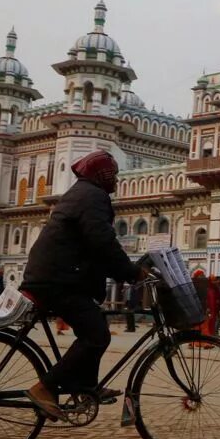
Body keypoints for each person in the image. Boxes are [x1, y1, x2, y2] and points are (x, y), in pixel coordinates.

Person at [20, 149, 143, 420]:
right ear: (102, 175)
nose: (116, 180)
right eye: (114, 175)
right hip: (58, 280)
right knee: (96, 335)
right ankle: (45, 388)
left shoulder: (81, 193)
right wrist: (132, 273)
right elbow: (102, 242)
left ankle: (85, 387)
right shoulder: (93, 196)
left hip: (54, 276)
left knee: (95, 325)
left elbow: (96, 243)